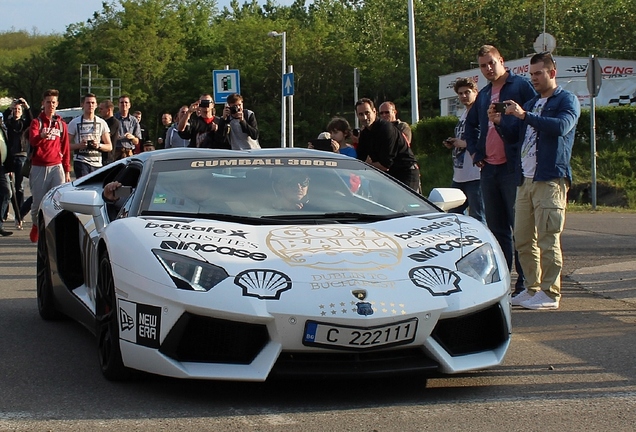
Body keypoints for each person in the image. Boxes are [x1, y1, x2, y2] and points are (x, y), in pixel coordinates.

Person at [500, 52, 581, 310]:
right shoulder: (533, 102)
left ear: (552, 73)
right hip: (526, 179)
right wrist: (501, 121)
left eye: (538, 73)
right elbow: (517, 137)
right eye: (531, 73)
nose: (534, 78)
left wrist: (525, 116)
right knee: (523, 238)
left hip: (550, 179)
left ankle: (550, 292)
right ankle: (531, 288)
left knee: (548, 238)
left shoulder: (567, 100)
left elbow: (560, 127)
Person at [465, 45, 537, 293]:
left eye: (491, 63)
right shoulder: (484, 94)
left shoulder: (520, 86)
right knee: (497, 230)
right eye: (483, 65)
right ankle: (503, 281)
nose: (487, 69)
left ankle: (525, 282)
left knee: (520, 228)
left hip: (513, 167)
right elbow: (470, 125)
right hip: (489, 168)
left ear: (502, 61)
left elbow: (532, 118)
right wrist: (475, 153)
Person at [28, 89, 71, 243]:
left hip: (56, 166)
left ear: (57, 104)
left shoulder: (61, 124)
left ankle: (54, 231)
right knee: (38, 202)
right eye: (48, 102)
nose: (51, 105)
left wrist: (66, 170)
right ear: (43, 103)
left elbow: (65, 148)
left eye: (53, 102)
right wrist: (41, 136)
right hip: (39, 166)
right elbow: (32, 140)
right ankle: (36, 225)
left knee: (58, 201)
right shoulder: (37, 122)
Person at [355, 98, 420, 192]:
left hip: (406, 173)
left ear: (374, 112)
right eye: (361, 114)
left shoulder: (386, 129)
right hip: (388, 175)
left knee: (400, 205)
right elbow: (359, 160)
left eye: (367, 113)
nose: (364, 117)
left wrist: (367, 164)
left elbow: (385, 165)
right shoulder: (364, 134)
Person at [443, 77, 485, 223]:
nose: (463, 96)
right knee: (453, 217)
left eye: (467, 92)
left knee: (477, 217)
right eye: (460, 93)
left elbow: (485, 140)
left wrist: (464, 143)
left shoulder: (480, 113)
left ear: (475, 92)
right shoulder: (463, 114)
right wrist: (453, 143)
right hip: (459, 175)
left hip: (475, 175)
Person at [3, 98, 33, 229]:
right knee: (7, 188)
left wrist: (27, 106)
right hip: (10, 157)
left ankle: (19, 215)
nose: (16, 111)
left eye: (18, 109)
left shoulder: (24, 123)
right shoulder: (9, 123)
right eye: (15, 109)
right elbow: (3, 117)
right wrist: (11, 106)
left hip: (21, 156)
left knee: (19, 187)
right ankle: (4, 213)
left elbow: (32, 121)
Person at [68, 93, 112, 178]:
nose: (90, 105)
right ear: (82, 105)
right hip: (81, 161)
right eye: (88, 103)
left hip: (97, 163)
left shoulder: (102, 122)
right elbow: (65, 146)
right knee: (84, 189)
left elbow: (109, 146)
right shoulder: (74, 122)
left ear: (96, 105)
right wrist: (78, 145)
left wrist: (98, 145)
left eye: (92, 103)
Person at [114, 95, 142, 160]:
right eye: (121, 102)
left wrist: (132, 137)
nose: (124, 104)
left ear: (129, 105)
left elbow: (137, 141)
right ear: (118, 105)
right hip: (115, 153)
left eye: (126, 102)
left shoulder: (134, 120)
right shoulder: (113, 119)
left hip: (129, 153)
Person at [98, 100, 120, 166]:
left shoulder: (114, 122)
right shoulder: (101, 121)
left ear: (109, 110)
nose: (99, 111)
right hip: (99, 155)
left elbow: (106, 136)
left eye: (101, 109)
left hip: (107, 157)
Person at [0, 122, 13, 236]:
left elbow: (7, 146)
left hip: (2, 167)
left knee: (7, 193)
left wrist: (9, 167)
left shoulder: (2, 129)